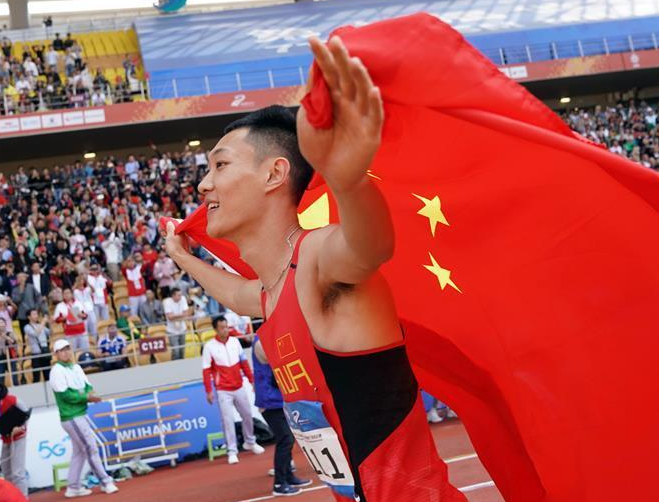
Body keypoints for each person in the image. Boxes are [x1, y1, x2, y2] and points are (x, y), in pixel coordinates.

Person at [162, 37, 463, 500]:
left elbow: (370, 247)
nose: (204, 185)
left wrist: (347, 177)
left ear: (274, 174)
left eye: (219, 165)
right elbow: (238, 294)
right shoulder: (273, 290)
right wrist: (184, 258)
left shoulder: (318, 257)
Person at [48, 339, 119, 497]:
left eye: (67, 348)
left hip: (79, 414)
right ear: (56, 354)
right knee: (90, 448)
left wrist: (87, 394)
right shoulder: (56, 371)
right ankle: (105, 482)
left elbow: (88, 387)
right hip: (71, 416)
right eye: (62, 350)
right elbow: (66, 396)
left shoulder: (76, 367)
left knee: (79, 452)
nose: (66, 352)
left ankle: (73, 487)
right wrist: (86, 397)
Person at [201, 316, 264, 465]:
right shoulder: (209, 347)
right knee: (228, 420)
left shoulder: (235, 342)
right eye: (222, 328)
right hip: (223, 389)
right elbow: (206, 371)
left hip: (239, 386)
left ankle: (250, 441)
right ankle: (232, 450)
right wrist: (209, 391)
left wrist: (252, 381)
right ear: (216, 329)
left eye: (226, 327)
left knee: (247, 414)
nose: (225, 330)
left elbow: (244, 363)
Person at [252, 337, 309, 495]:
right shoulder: (260, 342)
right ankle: (279, 483)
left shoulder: (269, 340)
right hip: (269, 401)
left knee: (288, 438)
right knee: (285, 439)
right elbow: (277, 362)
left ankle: (288, 476)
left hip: (278, 399)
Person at [0, 383, 29, 497]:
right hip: (6, 439)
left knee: (18, 473)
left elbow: (26, 415)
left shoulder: (13, 400)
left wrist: (21, 427)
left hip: (18, 438)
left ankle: (23, 498)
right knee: (6, 471)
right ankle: (12, 497)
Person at [162, 287, 191, 360]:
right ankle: (175, 366)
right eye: (178, 295)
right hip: (172, 331)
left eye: (180, 295)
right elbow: (169, 317)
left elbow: (187, 313)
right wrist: (182, 315)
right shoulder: (167, 302)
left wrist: (174, 316)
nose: (180, 296)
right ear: (173, 296)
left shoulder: (183, 298)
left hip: (182, 329)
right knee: (176, 351)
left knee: (182, 351)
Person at [24, 309, 51, 383]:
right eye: (34, 314)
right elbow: (35, 333)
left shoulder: (40, 325)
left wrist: (49, 323)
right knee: (36, 376)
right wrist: (43, 322)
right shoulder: (27, 327)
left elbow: (50, 333)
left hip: (44, 352)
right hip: (36, 354)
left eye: (36, 314)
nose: (36, 316)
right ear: (29, 317)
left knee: (48, 374)